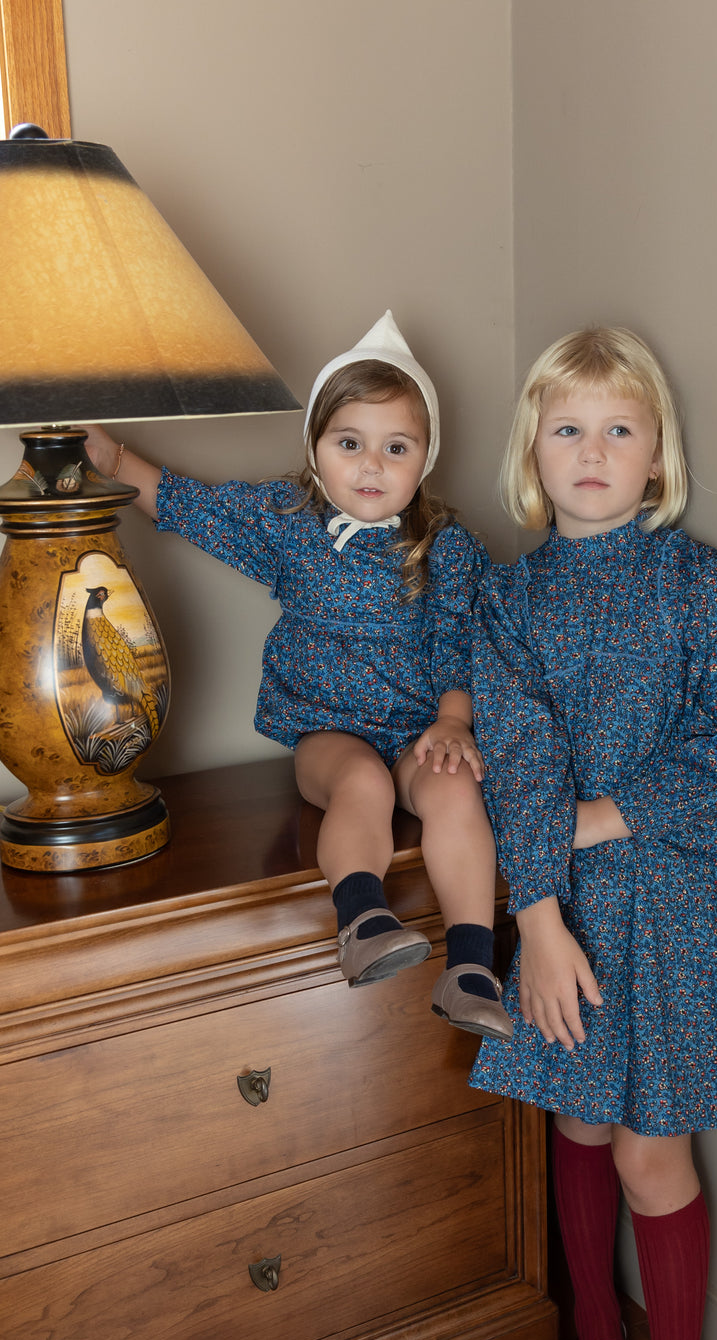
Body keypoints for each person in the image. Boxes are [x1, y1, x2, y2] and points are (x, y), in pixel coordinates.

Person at [470, 326, 717, 1340]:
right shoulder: (509, 594)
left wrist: (594, 820)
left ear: (657, 458)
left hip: (685, 904)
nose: (592, 451)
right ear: (532, 454)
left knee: (657, 1151)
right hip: (565, 910)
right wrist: (538, 922)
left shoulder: (703, 583)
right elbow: (518, 753)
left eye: (618, 430)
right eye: (567, 429)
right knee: (582, 1117)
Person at [82, 312, 511, 1041]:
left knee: (455, 784)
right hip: (328, 734)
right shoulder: (288, 522)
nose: (372, 466)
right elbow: (190, 508)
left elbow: (464, 645)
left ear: (424, 458)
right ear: (315, 449)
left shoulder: (447, 549)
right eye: (350, 444)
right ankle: (363, 920)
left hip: (418, 731)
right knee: (362, 783)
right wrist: (116, 459)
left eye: (395, 448)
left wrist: (453, 723)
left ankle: (471, 964)